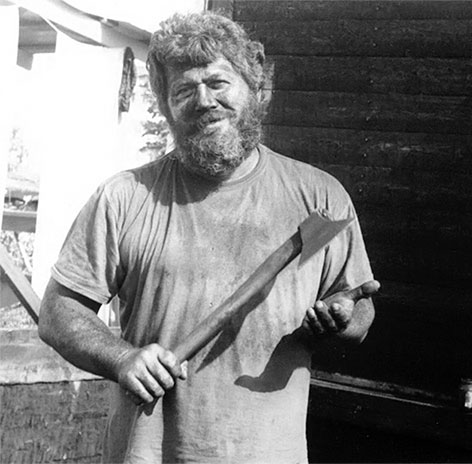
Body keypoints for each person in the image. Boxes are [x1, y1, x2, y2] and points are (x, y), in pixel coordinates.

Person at [38, 11, 379, 464]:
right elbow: (58, 313)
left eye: (219, 83)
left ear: (255, 88)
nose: (204, 101)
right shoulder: (125, 198)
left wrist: (342, 318)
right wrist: (122, 359)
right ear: (166, 107)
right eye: (184, 90)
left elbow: (357, 307)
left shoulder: (317, 199)